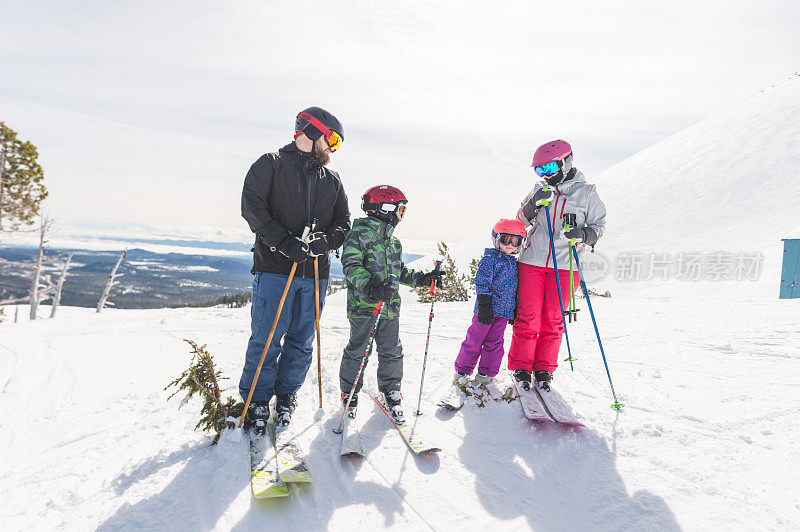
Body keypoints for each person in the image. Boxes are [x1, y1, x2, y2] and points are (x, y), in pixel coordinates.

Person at [240, 106, 350, 433]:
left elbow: (343, 222)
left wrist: (325, 242)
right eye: (331, 138)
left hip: (315, 274)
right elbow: (252, 207)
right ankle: (257, 400)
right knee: (268, 337)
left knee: (302, 340)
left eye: (337, 142)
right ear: (311, 131)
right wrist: (284, 243)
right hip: (275, 269)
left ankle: (286, 395)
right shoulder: (271, 164)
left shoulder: (331, 179)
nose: (333, 147)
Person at [338, 185, 444, 424]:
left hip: (390, 308)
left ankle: (390, 389)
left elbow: (400, 271)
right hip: (364, 307)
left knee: (391, 351)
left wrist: (422, 279)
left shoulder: (393, 242)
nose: (402, 215)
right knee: (359, 350)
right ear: (384, 208)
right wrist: (372, 287)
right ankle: (350, 390)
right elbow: (351, 266)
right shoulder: (359, 235)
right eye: (401, 209)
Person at [508, 139, 606, 391]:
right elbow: (519, 220)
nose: (544, 175)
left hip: (566, 266)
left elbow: (598, 227)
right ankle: (521, 366)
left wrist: (583, 235)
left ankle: (544, 369)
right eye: (539, 170)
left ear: (566, 162)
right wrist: (534, 204)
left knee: (552, 319)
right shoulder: (539, 190)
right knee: (528, 316)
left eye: (549, 169)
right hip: (531, 262)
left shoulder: (587, 193)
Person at [452, 219, 525, 390]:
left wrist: (513, 309)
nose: (510, 245)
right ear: (496, 238)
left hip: (503, 313)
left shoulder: (514, 264)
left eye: (515, 241)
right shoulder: (490, 259)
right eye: (506, 239)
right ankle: (462, 370)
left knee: (495, 343)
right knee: (474, 340)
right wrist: (484, 304)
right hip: (486, 310)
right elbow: (482, 281)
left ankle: (486, 373)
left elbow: (514, 288)